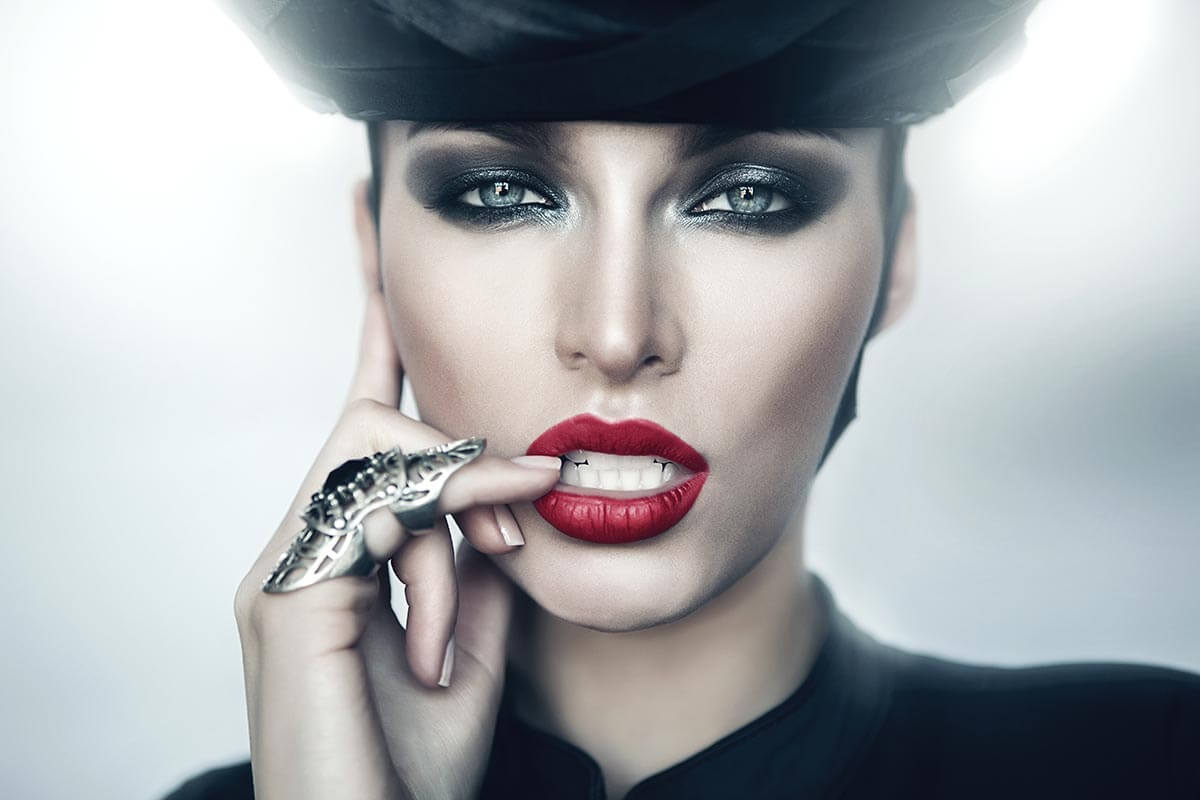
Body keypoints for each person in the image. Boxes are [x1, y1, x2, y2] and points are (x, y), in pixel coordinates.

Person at [168, 1, 1200, 798]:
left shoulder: (1154, 763)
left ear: (894, 259)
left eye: (747, 196)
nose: (618, 333)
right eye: (500, 193)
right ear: (374, 252)